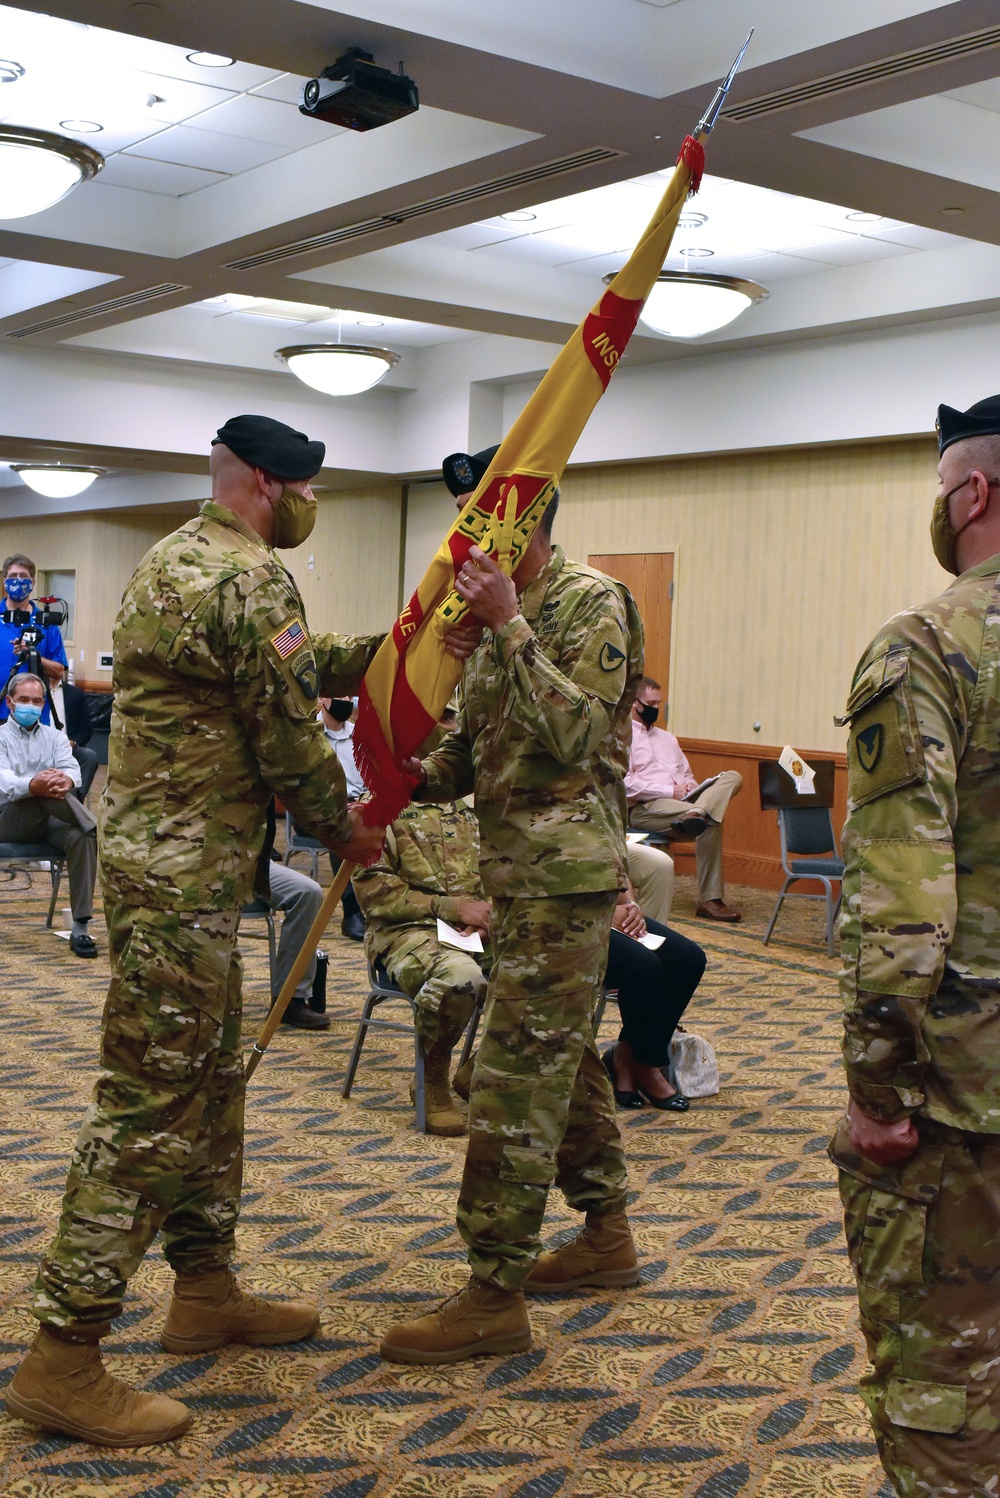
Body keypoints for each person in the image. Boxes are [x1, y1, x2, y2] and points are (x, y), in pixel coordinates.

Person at [4, 414, 392, 1449]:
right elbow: (287, 732)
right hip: (185, 882)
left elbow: (279, 672)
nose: (313, 508)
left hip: (164, 870)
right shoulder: (251, 578)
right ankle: (63, 1354)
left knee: (213, 1076)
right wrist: (348, 830)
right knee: (157, 1100)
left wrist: (400, 645)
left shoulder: (174, 558)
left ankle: (205, 1287)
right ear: (274, 484)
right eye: (310, 491)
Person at [379, 464, 645, 1366]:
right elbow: (479, 748)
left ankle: (494, 1291)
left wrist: (509, 625)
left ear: (522, 522)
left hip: (566, 878)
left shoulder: (585, 601)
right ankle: (607, 1232)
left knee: (511, 1078)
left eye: (475, 520)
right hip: (515, 877)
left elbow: (576, 736)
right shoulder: (488, 619)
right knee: (559, 1062)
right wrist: (415, 771)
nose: (461, 541)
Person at [831, 394, 1000, 1498]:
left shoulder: (927, 647)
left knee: (944, 1371)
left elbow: (899, 899)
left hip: (964, 1090)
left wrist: (878, 1093)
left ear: (972, 493)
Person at [354, 764, 487, 1137]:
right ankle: (431, 1075)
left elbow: (502, 870)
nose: (450, 728)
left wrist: (485, 914)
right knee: (461, 978)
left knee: (556, 964)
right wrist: (451, 908)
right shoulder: (377, 808)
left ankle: (485, 1066)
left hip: (478, 927)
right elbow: (374, 894)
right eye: (443, 718)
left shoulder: (469, 807)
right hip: (407, 930)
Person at [625, 677, 743, 922]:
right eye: (651, 703)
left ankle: (698, 811)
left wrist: (691, 786)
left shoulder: (668, 738)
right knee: (712, 819)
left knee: (733, 776)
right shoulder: (623, 736)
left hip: (684, 804)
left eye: (659, 703)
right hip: (646, 807)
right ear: (634, 703)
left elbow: (687, 774)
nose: (655, 709)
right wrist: (671, 792)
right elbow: (625, 785)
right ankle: (710, 899)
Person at [0, 672, 98, 957]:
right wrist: (33, 785)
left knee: (81, 837)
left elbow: (71, 769)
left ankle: (80, 927)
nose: (31, 705)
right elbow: (3, 781)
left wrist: (66, 781)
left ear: (43, 705)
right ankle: (95, 825)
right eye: (24, 700)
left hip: (50, 820)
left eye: (37, 701)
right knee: (39, 793)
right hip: (7, 819)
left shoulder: (56, 737)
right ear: (9, 702)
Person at [601, 882, 706, 1112]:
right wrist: (602, 915)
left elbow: (620, 866)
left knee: (688, 959)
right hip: (565, 919)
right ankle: (646, 1065)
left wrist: (630, 905)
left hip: (607, 913)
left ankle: (627, 1054)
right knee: (643, 965)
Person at [318, 694, 366, 941]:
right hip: (318, 808)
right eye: (338, 696)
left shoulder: (360, 735)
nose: (345, 701)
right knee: (342, 827)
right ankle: (351, 910)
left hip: (358, 805)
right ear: (321, 699)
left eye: (348, 696)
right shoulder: (308, 735)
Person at [0, 554, 68, 725]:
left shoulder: (45, 623)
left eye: (23, 577)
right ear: (4, 580)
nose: (18, 581)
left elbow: (59, 672)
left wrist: (33, 655)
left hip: (33, 716)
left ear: (33, 582)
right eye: (12, 576)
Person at [51, 675, 99, 801]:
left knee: (89, 756)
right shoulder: (33, 691)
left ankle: (74, 801)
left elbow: (86, 728)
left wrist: (72, 742)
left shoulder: (74, 694)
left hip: (66, 749)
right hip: (37, 750)